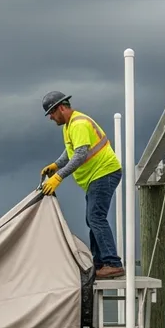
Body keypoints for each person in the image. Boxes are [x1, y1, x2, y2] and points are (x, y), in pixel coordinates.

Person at [38, 91, 124, 279]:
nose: (51, 118)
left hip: (104, 172)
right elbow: (70, 151)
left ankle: (112, 263)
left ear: (61, 108)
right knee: (92, 218)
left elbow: (80, 155)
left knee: (95, 217)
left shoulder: (79, 124)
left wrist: (58, 177)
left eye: (52, 113)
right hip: (97, 176)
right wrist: (56, 165)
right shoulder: (69, 126)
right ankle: (100, 263)